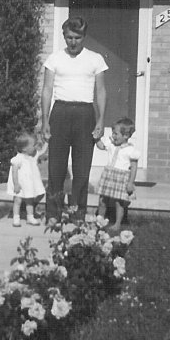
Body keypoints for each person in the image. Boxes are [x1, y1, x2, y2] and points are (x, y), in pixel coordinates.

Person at [41, 16, 108, 223]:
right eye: (69, 37)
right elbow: (46, 90)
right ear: (64, 36)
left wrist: (101, 120)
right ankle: (53, 214)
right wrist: (44, 120)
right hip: (59, 113)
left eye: (77, 37)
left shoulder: (95, 59)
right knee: (56, 168)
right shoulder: (54, 59)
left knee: (81, 168)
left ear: (84, 37)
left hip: (85, 114)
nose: (72, 42)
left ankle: (77, 214)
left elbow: (101, 91)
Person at [95, 117, 140, 232]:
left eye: (116, 134)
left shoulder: (131, 150)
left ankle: (118, 223)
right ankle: (100, 221)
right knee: (102, 200)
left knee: (119, 202)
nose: (113, 136)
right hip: (109, 175)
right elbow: (101, 146)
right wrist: (96, 139)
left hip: (122, 177)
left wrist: (131, 182)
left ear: (125, 136)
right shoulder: (111, 144)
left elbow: (134, 167)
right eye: (113, 133)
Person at [6, 132, 48, 227]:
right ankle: (16, 218)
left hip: (29, 185)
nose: (36, 147)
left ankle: (30, 217)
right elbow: (14, 172)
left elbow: (42, 152)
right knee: (18, 200)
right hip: (20, 185)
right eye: (33, 145)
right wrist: (16, 184)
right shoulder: (18, 158)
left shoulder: (32, 156)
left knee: (29, 201)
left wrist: (47, 142)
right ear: (25, 148)